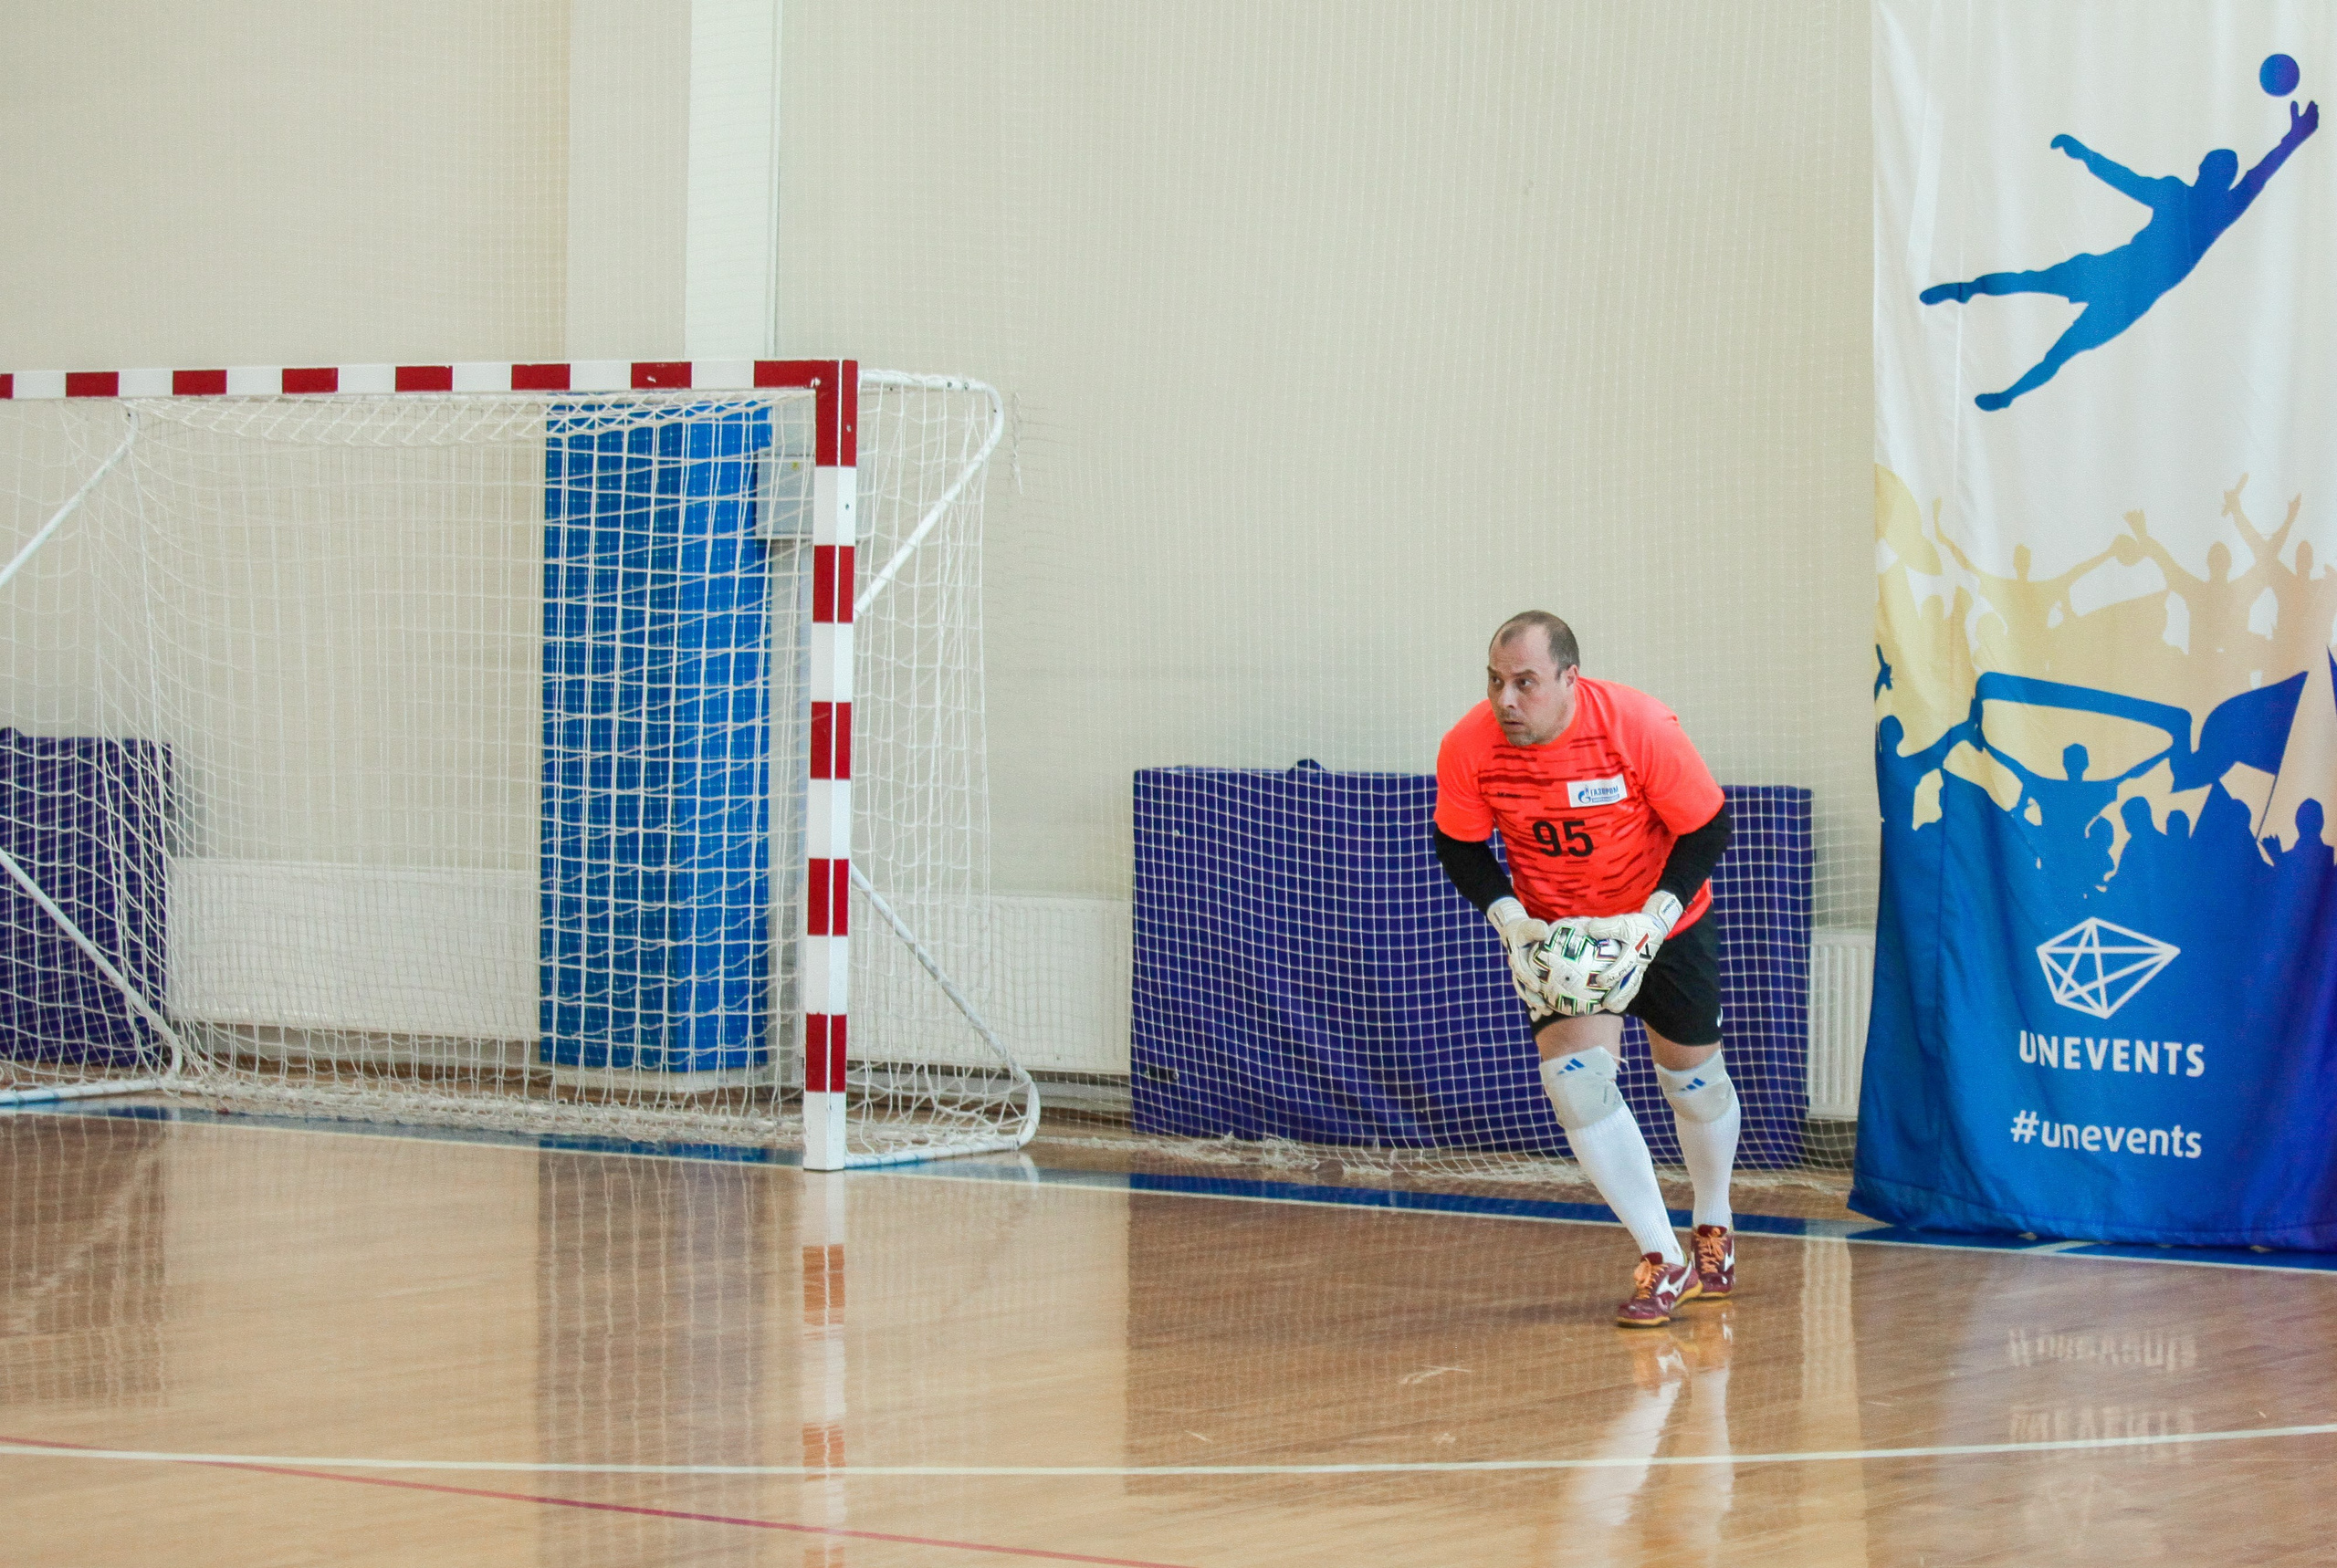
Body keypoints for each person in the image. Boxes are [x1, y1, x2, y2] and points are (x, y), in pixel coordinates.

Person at [1434, 612, 1736, 1326]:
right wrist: (1511, 919)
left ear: (1570, 677)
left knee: (1692, 1083)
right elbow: (1459, 845)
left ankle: (1714, 1221)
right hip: (1562, 939)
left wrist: (1654, 918)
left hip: (1663, 921)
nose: (1506, 699)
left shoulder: (1637, 725)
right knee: (1577, 1085)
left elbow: (1707, 824)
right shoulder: (1469, 746)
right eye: (1496, 681)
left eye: (1525, 683)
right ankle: (1664, 1258)